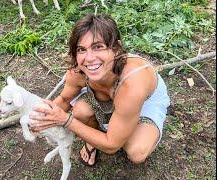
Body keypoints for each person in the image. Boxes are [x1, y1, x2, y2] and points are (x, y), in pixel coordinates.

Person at [29, 13, 170, 166]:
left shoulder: (133, 83)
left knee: (136, 152)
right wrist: (41, 119)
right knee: (81, 112)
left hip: (145, 101)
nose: (89, 58)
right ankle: (94, 140)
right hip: (108, 96)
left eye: (98, 47)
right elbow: (64, 99)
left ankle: (121, 125)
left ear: (116, 49)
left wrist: (65, 120)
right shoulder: (78, 72)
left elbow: (112, 145)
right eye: (81, 49)